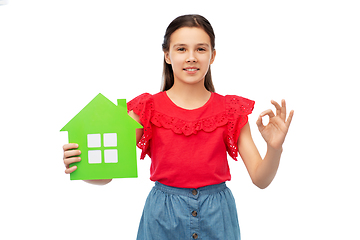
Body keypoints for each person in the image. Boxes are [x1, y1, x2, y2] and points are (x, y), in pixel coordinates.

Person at [63, 14, 294, 240]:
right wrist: (81, 166)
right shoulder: (146, 108)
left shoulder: (230, 110)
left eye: (201, 49)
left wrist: (274, 148)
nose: (191, 57)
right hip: (162, 218)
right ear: (167, 55)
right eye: (181, 49)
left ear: (213, 56)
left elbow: (260, 179)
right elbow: (108, 175)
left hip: (218, 218)